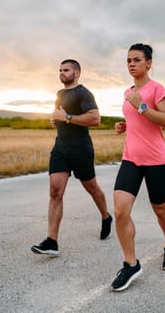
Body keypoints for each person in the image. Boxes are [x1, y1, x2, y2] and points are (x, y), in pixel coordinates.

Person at [110, 43, 165, 292]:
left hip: (157, 160)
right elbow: (138, 121)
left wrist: (142, 106)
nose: (131, 64)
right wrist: (124, 125)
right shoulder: (128, 92)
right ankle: (131, 263)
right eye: (128, 60)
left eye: (137, 60)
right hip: (131, 159)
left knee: (160, 210)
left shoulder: (156, 89)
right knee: (120, 211)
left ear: (149, 63)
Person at [31, 59, 112, 256]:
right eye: (60, 70)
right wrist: (56, 120)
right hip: (61, 148)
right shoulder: (60, 94)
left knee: (91, 187)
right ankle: (52, 241)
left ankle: (106, 216)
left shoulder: (83, 93)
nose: (61, 73)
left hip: (81, 149)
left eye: (65, 70)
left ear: (76, 73)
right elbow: (60, 115)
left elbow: (95, 119)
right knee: (55, 192)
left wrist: (67, 118)